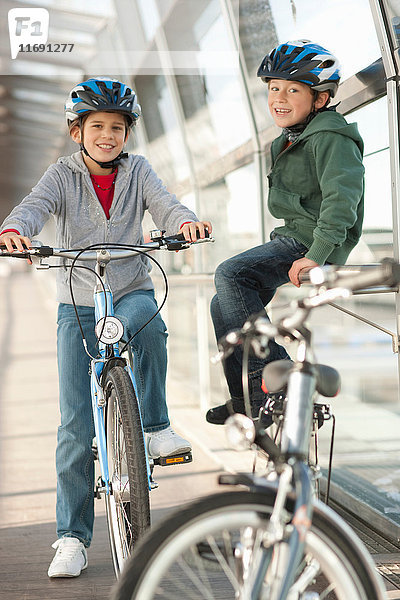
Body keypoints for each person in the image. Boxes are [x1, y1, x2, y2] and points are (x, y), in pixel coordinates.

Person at [0, 77, 211, 578]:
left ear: (126, 133)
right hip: (77, 301)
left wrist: (185, 222)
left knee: (152, 329)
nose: (107, 135)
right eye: (97, 126)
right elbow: (32, 208)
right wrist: (13, 230)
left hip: (131, 288)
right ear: (78, 131)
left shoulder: (138, 170)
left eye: (117, 127)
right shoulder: (61, 174)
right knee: (74, 426)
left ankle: (156, 427)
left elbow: (165, 202)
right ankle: (71, 536)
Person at [206, 40, 364, 425]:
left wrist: (319, 251)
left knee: (230, 273)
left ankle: (280, 381)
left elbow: (342, 199)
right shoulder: (290, 139)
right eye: (274, 88)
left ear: (321, 99)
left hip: (310, 241)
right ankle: (246, 397)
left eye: (293, 89)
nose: (279, 97)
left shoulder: (331, 138)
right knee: (221, 305)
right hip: (291, 238)